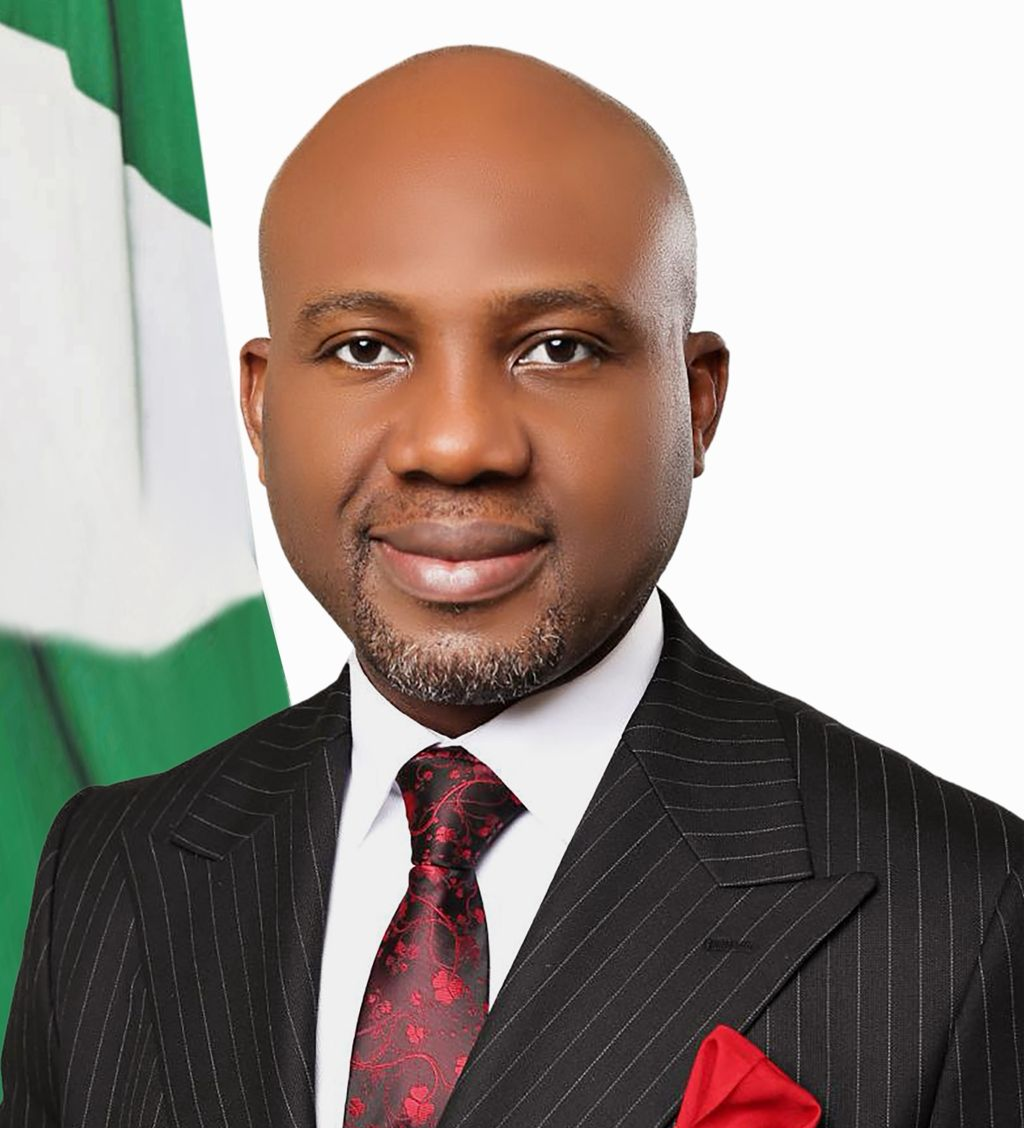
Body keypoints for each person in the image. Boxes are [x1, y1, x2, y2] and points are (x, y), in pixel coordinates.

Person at [2, 43, 1021, 1128]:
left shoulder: (965, 916)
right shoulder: (106, 869)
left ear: (697, 402)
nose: (456, 444)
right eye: (364, 349)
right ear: (260, 409)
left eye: (558, 349)